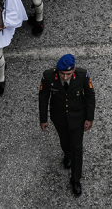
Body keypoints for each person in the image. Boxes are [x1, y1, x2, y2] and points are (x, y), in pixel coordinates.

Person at [39, 54, 96, 198]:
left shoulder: (83, 75)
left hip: (77, 117)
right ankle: (67, 154)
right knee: (64, 142)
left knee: (77, 148)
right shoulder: (48, 77)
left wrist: (89, 118)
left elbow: (90, 95)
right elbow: (43, 96)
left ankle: (75, 179)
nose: (65, 77)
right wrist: (43, 119)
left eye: (68, 74)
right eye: (62, 73)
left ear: (74, 69)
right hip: (59, 118)